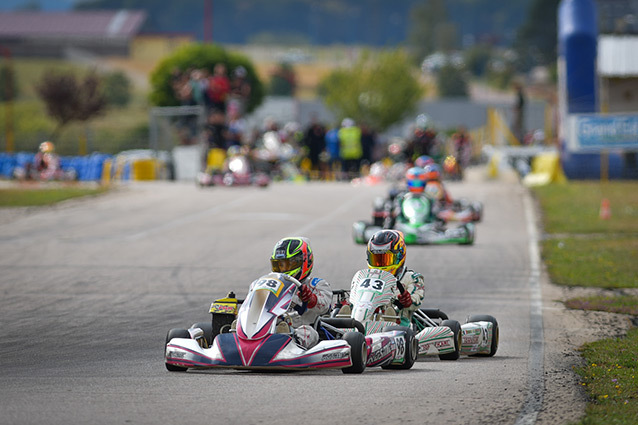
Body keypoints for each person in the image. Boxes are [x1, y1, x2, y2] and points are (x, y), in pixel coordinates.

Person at [270, 237, 332, 348]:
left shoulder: (316, 284)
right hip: (273, 326)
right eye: (279, 265)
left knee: (307, 333)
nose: (283, 270)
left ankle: (291, 344)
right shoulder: (273, 284)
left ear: (305, 262)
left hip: (302, 329)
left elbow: (324, 307)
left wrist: (311, 299)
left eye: (288, 265)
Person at [365, 229, 425, 327]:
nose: (380, 265)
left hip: (400, 324)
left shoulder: (410, 278)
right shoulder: (366, 279)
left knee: (392, 318)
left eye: (385, 259)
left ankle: (389, 317)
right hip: (368, 321)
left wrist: (408, 300)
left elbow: (416, 300)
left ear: (400, 256)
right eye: (376, 260)